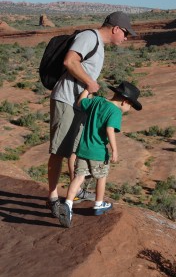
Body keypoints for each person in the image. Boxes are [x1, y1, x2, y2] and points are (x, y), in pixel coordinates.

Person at [46, 11, 137, 218]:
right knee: (59, 150)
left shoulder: (98, 44)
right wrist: (89, 82)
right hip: (67, 99)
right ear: (116, 28)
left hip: (78, 103)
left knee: (72, 149)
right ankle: (52, 198)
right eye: (126, 33)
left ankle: (75, 191)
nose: (126, 38)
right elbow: (70, 62)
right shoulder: (89, 37)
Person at [58, 81, 142, 228]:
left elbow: (81, 102)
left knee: (79, 177)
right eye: (131, 105)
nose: (129, 108)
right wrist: (115, 150)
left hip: (83, 149)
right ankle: (98, 204)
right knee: (101, 177)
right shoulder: (115, 112)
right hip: (98, 152)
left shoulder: (97, 101)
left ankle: (68, 204)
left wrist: (87, 89)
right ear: (125, 101)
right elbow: (110, 130)